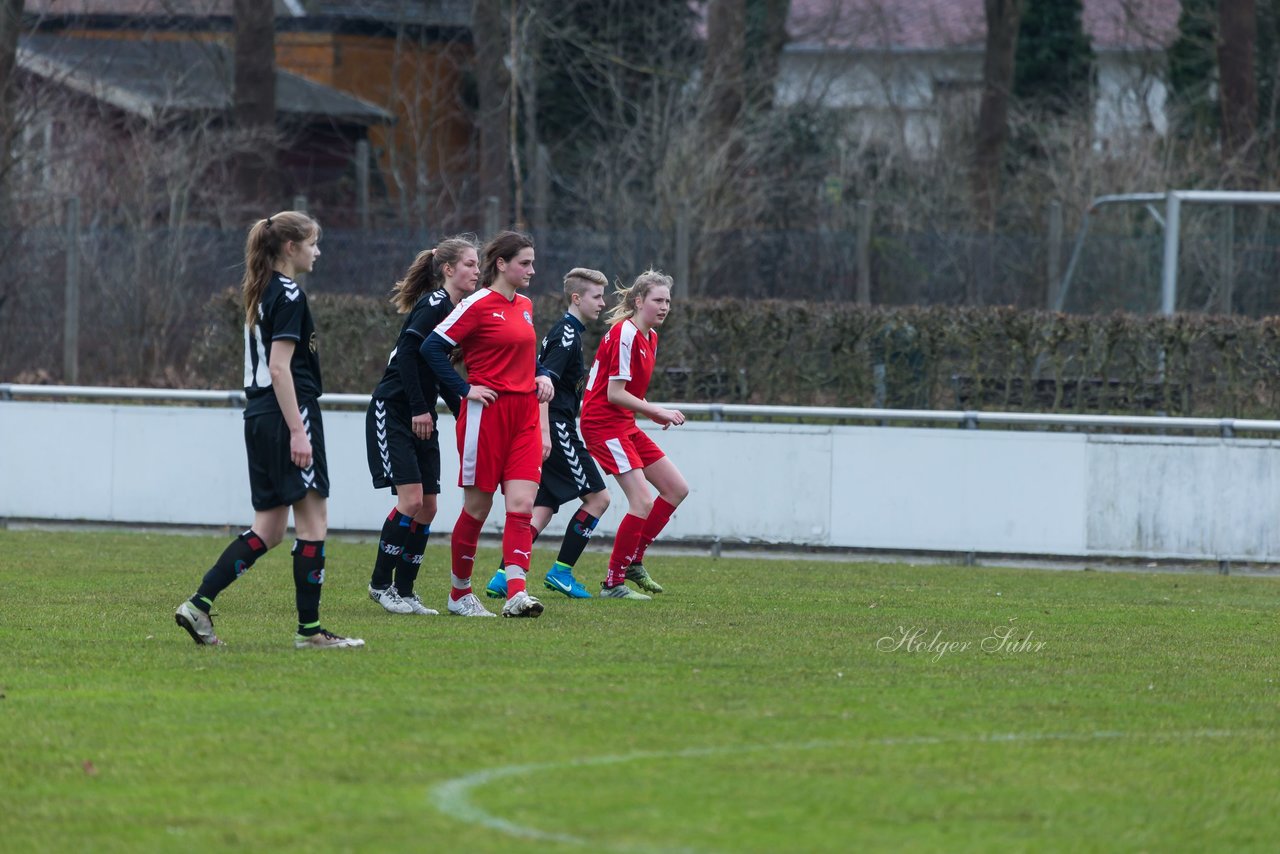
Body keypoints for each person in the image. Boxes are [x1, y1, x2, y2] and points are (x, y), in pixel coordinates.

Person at [174, 211, 363, 649]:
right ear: (290, 248)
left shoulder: (259, 291)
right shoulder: (290, 293)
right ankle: (310, 633)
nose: (318, 252)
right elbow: (280, 369)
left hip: (257, 417)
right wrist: (299, 431)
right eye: (313, 243)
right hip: (287, 414)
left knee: (270, 529)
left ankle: (198, 605)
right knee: (314, 523)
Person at [421, 230, 555, 618]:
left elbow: (526, 355)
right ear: (501, 264)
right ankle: (459, 593)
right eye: (524, 263)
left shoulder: (526, 305)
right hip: (486, 417)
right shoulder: (478, 304)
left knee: (522, 505)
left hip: (525, 416)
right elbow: (432, 347)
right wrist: (464, 390)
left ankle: (516, 593)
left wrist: (542, 374)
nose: (532, 270)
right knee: (478, 508)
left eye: (532, 262)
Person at [364, 237, 479, 616]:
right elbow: (411, 355)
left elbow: (439, 371)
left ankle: (406, 591)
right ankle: (380, 586)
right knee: (410, 501)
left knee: (428, 508)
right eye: (469, 264)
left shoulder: (456, 311)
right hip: (396, 411)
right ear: (448, 270)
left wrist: (463, 408)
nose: (477, 271)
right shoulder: (434, 304)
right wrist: (418, 408)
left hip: (421, 414)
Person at [484, 268, 612, 601]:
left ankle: (503, 575)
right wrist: (545, 431)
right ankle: (562, 572)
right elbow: (542, 385)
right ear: (576, 298)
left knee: (544, 506)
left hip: (554, 425)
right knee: (599, 499)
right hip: (555, 426)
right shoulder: (566, 335)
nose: (602, 303)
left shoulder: (569, 332)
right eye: (596, 296)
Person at [579, 269, 690, 600]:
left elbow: (625, 398)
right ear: (638, 301)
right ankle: (613, 583)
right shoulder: (625, 333)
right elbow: (614, 393)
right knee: (641, 501)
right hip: (602, 423)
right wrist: (655, 411)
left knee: (675, 489)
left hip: (623, 423)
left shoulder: (650, 337)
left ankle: (633, 561)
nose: (664, 306)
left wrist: (647, 411)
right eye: (658, 300)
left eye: (668, 301)